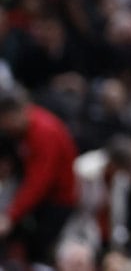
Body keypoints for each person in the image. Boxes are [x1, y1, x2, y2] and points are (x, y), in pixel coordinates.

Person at [0, 81, 79, 268]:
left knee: (36, 249)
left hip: (57, 202)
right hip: (40, 198)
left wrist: (10, 216)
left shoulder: (44, 133)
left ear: (14, 114)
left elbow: (38, 183)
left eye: (4, 121)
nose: (4, 128)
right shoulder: (24, 129)